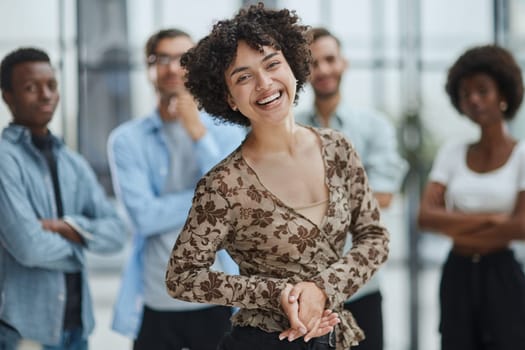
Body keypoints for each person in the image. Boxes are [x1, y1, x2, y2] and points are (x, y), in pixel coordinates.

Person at [165, 4, 390, 350]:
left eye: (272, 64)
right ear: (229, 98)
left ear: (293, 67)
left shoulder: (337, 148)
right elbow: (181, 277)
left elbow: (374, 237)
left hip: (339, 337)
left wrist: (323, 289)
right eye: (244, 76)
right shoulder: (223, 185)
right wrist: (276, 293)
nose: (264, 83)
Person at [108, 28, 246, 350]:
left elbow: (233, 204)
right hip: (157, 302)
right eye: (162, 59)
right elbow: (142, 218)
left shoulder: (227, 133)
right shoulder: (126, 140)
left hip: (218, 297)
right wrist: (207, 203)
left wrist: (198, 134)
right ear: (149, 68)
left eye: (183, 59)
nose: (172, 68)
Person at [0, 47, 126, 349]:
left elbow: (117, 232)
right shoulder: (4, 160)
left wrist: (66, 226)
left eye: (51, 85)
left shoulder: (72, 162)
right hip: (24, 332)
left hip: (77, 330)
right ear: (7, 96)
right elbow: (28, 246)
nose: (45, 95)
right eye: (31, 88)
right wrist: (83, 244)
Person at [296, 27, 407, 350]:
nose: (324, 70)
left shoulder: (374, 126)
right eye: (314, 63)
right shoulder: (292, 128)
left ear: (343, 63)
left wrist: (310, 195)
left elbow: (383, 197)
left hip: (360, 288)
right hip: (304, 288)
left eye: (330, 59)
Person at [418, 45, 525, 350]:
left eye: (482, 90)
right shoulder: (453, 152)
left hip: (502, 275)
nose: (473, 99)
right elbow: (425, 218)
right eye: (465, 94)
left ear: (503, 94)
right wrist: (492, 220)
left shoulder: (521, 155)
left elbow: (521, 227)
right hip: (458, 272)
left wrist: (454, 224)